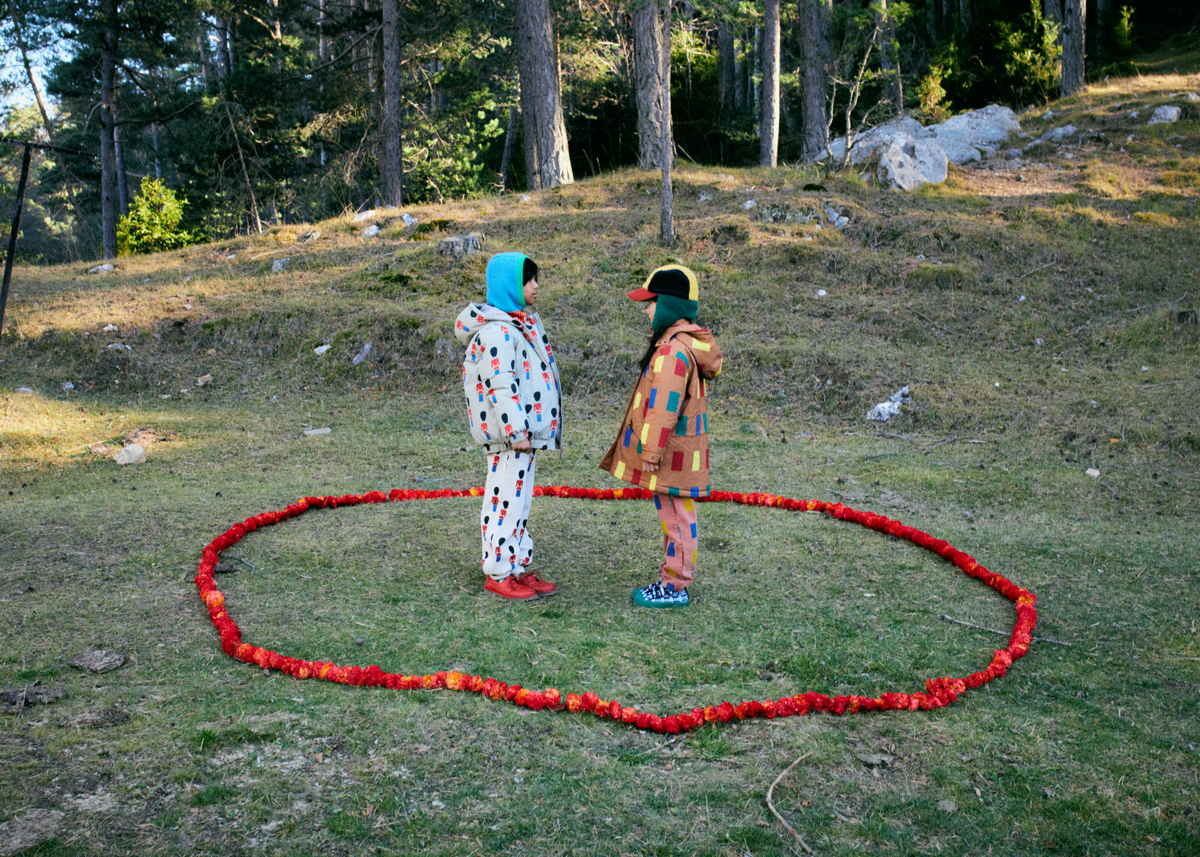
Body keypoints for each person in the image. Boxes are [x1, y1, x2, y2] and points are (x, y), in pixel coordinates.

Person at [600, 264, 723, 608]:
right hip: (678, 453)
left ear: (669, 304)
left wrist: (651, 452)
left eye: (651, 302)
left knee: (677, 519)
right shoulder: (678, 345)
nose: (647, 310)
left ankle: (674, 586)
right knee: (675, 516)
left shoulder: (672, 352)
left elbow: (663, 408)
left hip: (671, 455)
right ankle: (674, 580)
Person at [454, 252, 562, 600]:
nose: (536, 286)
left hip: (523, 436)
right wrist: (516, 431)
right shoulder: (497, 333)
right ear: (509, 285)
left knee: (520, 501)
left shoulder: (519, 326)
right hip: (510, 438)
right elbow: (500, 386)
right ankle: (498, 571)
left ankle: (515, 565)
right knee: (504, 501)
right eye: (529, 280)